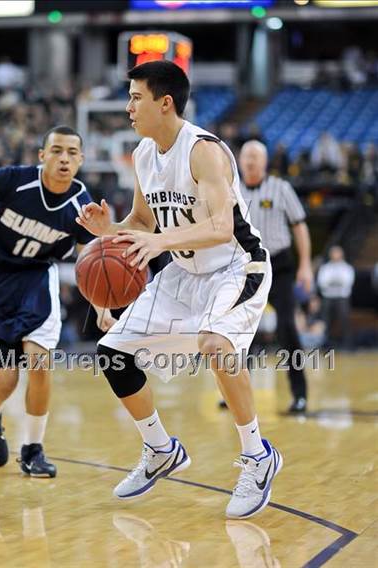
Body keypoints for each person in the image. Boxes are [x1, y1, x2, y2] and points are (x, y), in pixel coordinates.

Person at [76, 61, 282, 519]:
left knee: (217, 345)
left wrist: (157, 243)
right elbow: (143, 224)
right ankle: (160, 449)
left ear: (164, 102)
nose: (128, 106)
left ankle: (258, 456)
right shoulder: (145, 154)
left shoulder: (204, 151)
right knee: (111, 354)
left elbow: (220, 226)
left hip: (235, 265)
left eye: (135, 97)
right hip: (183, 274)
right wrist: (107, 230)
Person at [0, 125, 114, 477]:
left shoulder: (81, 206)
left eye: (72, 153)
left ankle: (32, 449)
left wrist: (103, 307)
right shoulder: (12, 180)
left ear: (81, 160)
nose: (64, 158)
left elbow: (94, 265)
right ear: (42, 155)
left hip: (36, 282)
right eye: (56, 150)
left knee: (40, 364)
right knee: (6, 378)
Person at [238, 141, 313, 413]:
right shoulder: (231, 189)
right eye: (247, 156)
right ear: (240, 159)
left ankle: (299, 394)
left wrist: (305, 265)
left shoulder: (281, 189)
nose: (250, 161)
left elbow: (300, 226)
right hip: (245, 268)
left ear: (265, 161)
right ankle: (234, 394)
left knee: (287, 329)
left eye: (256, 157)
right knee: (236, 333)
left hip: (279, 266)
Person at [317, 246, 355, 350]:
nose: (335, 255)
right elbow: (322, 282)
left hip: (342, 298)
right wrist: (337, 281)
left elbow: (347, 282)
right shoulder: (325, 268)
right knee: (326, 321)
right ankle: (325, 344)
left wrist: (332, 281)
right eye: (333, 253)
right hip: (328, 298)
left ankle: (347, 344)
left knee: (344, 320)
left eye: (337, 253)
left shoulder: (347, 268)